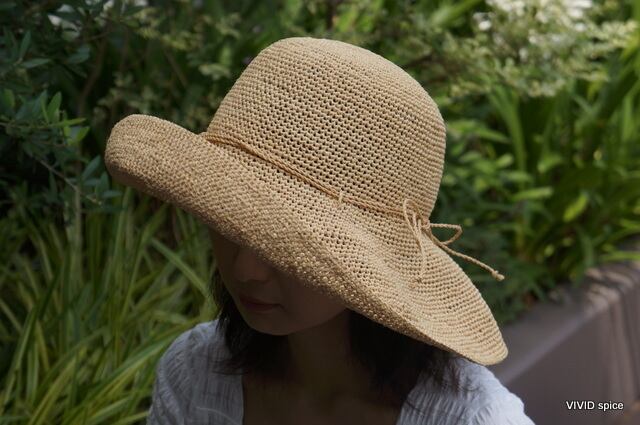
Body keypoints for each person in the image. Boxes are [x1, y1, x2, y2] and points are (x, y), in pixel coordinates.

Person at [104, 36, 536, 424]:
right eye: (232, 223)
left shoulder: (474, 418)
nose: (246, 270)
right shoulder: (194, 373)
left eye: (287, 244)